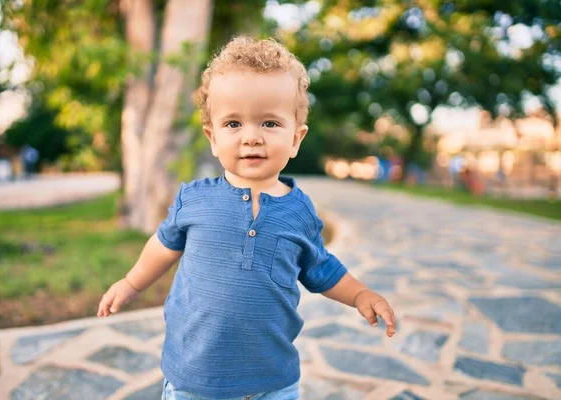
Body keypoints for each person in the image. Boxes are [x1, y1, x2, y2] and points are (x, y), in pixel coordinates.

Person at [97, 36, 395, 400]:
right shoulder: (195, 198)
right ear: (212, 137)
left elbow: (322, 269)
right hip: (195, 379)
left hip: (273, 381)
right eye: (233, 124)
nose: (251, 138)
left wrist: (360, 293)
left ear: (296, 138)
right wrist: (130, 284)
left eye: (269, 124)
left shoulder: (299, 211)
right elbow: (162, 247)